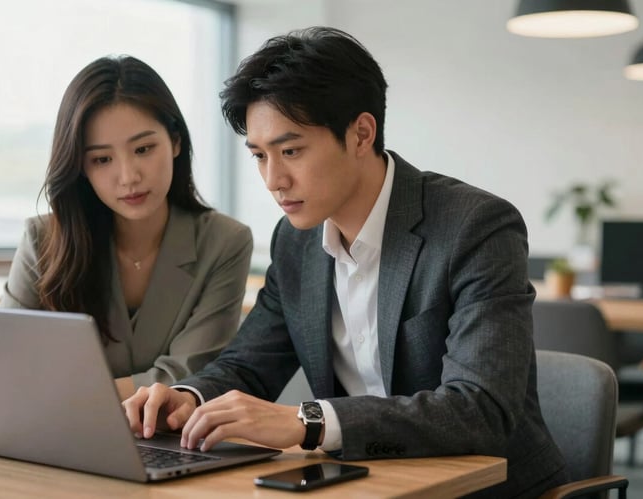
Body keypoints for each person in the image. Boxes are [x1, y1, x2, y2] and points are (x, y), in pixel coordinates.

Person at [122, 27, 568, 498]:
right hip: (368, 484)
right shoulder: (295, 241)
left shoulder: (474, 227)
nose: (273, 180)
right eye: (259, 156)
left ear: (360, 134)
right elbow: (248, 366)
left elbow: (480, 409)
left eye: (291, 151)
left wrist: (308, 421)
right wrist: (186, 398)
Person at [0, 55, 252, 401]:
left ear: (175, 141)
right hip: (59, 440)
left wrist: (61, 393)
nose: (128, 176)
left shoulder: (225, 242)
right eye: (102, 159)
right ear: (80, 167)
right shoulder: (43, 239)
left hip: (171, 440)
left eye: (144, 149)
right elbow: (3, 362)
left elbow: (188, 373)